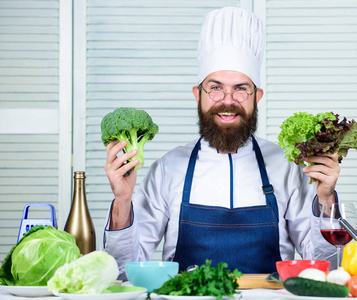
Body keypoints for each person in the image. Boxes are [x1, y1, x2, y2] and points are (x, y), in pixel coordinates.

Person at [102, 7, 340, 280]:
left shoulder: (286, 166)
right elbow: (121, 271)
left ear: (257, 97)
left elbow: (329, 268)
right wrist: (122, 200)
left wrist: (326, 200)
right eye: (215, 88)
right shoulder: (168, 168)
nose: (228, 100)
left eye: (241, 88)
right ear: (197, 95)